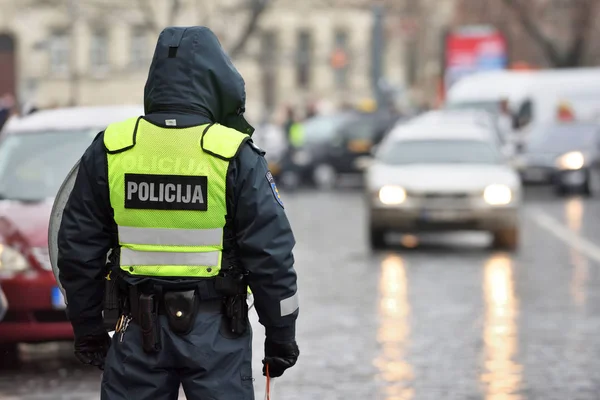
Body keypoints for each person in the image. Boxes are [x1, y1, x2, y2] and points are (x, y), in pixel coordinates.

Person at [57, 26, 299, 399]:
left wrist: (88, 327)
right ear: (217, 80)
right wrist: (280, 334)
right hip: (218, 332)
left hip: (135, 333)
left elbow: (76, 249)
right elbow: (270, 254)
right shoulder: (233, 153)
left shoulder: (113, 147)